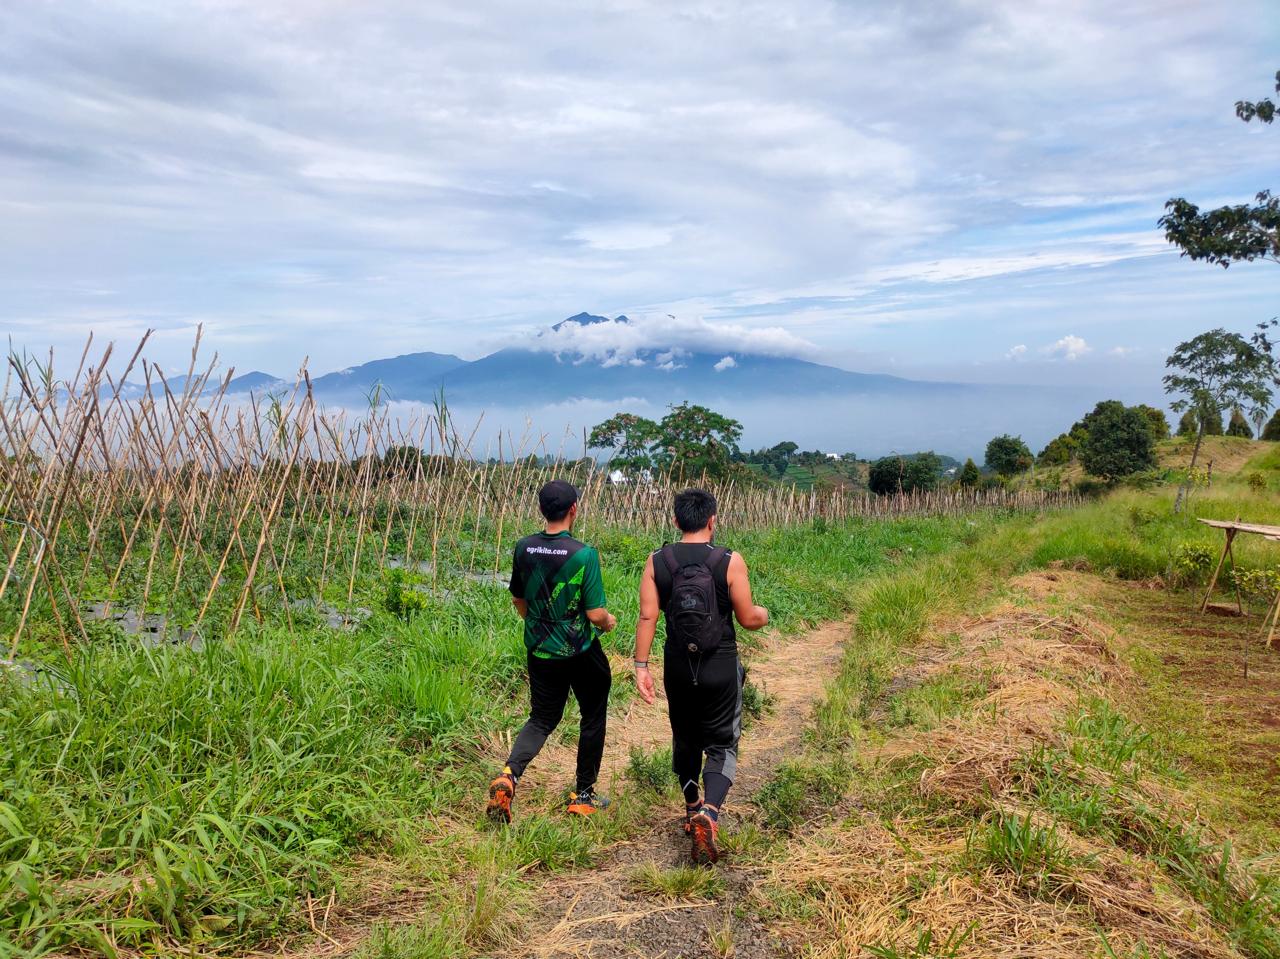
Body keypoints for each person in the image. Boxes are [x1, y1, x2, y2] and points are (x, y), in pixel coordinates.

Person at [633, 488, 769, 864]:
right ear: (712, 520)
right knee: (723, 743)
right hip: (720, 665)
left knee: (686, 737)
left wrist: (640, 667)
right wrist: (764, 613)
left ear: (676, 521)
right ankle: (710, 813)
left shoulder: (657, 560)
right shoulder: (729, 560)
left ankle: (692, 806)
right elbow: (747, 617)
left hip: (678, 666)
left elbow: (648, 617)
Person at [486, 480, 618, 824]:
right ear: (574, 509)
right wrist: (608, 623)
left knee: (542, 718)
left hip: (540, 649)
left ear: (542, 510)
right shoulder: (583, 554)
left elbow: (518, 599)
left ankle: (509, 775)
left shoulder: (524, 547)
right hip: (579, 651)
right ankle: (584, 795)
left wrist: (540, 624)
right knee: (592, 714)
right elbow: (594, 613)